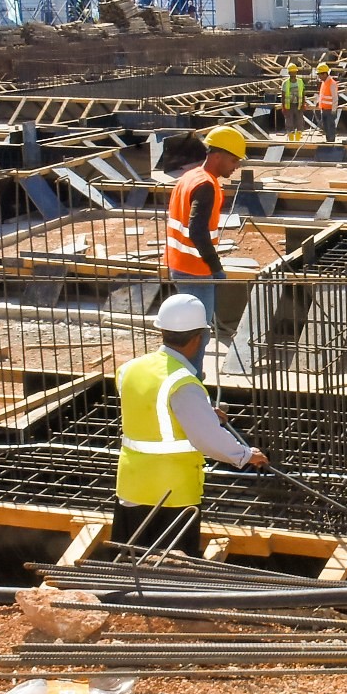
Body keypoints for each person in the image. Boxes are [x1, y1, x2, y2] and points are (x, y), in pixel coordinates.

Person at [114, 293, 268, 555]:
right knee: (171, 569)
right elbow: (207, 439)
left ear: (162, 330)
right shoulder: (183, 382)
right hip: (172, 495)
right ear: (199, 338)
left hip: (131, 486)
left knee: (131, 561)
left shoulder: (131, 368)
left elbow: (154, 409)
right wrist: (245, 455)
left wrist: (202, 411)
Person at [165, 124, 247, 378]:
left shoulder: (189, 177)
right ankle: (192, 384)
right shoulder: (206, 185)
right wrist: (216, 267)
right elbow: (197, 232)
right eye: (233, 160)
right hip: (196, 271)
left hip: (178, 264)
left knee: (189, 332)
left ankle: (188, 381)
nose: (235, 167)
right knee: (197, 335)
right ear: (217, 155)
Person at [280, 62, 306, 142]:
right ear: (289, 73)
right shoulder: (285, 83)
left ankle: (298, 140)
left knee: (299, 123)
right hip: (289, 106)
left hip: (298, 105)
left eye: (294, 72)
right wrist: (283, 107)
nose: (293, 73)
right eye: (292, 72)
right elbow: (283, 95)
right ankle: (291, 140)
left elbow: (303, 93)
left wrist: (303, 104)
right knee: (289, 123)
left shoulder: (300, 82)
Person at [315, 62, 339, 143]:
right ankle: (328, 141)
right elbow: (322, 94)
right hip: (324, 109)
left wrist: (333, 110)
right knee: (325, 128)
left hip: (330, 110)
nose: (319, 77)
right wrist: (319, 102)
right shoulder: (324, 83)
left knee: (330, 128)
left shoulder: (332, 83)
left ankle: (331, 142)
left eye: (319, 74)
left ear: (325, 74)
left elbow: (335, 98)